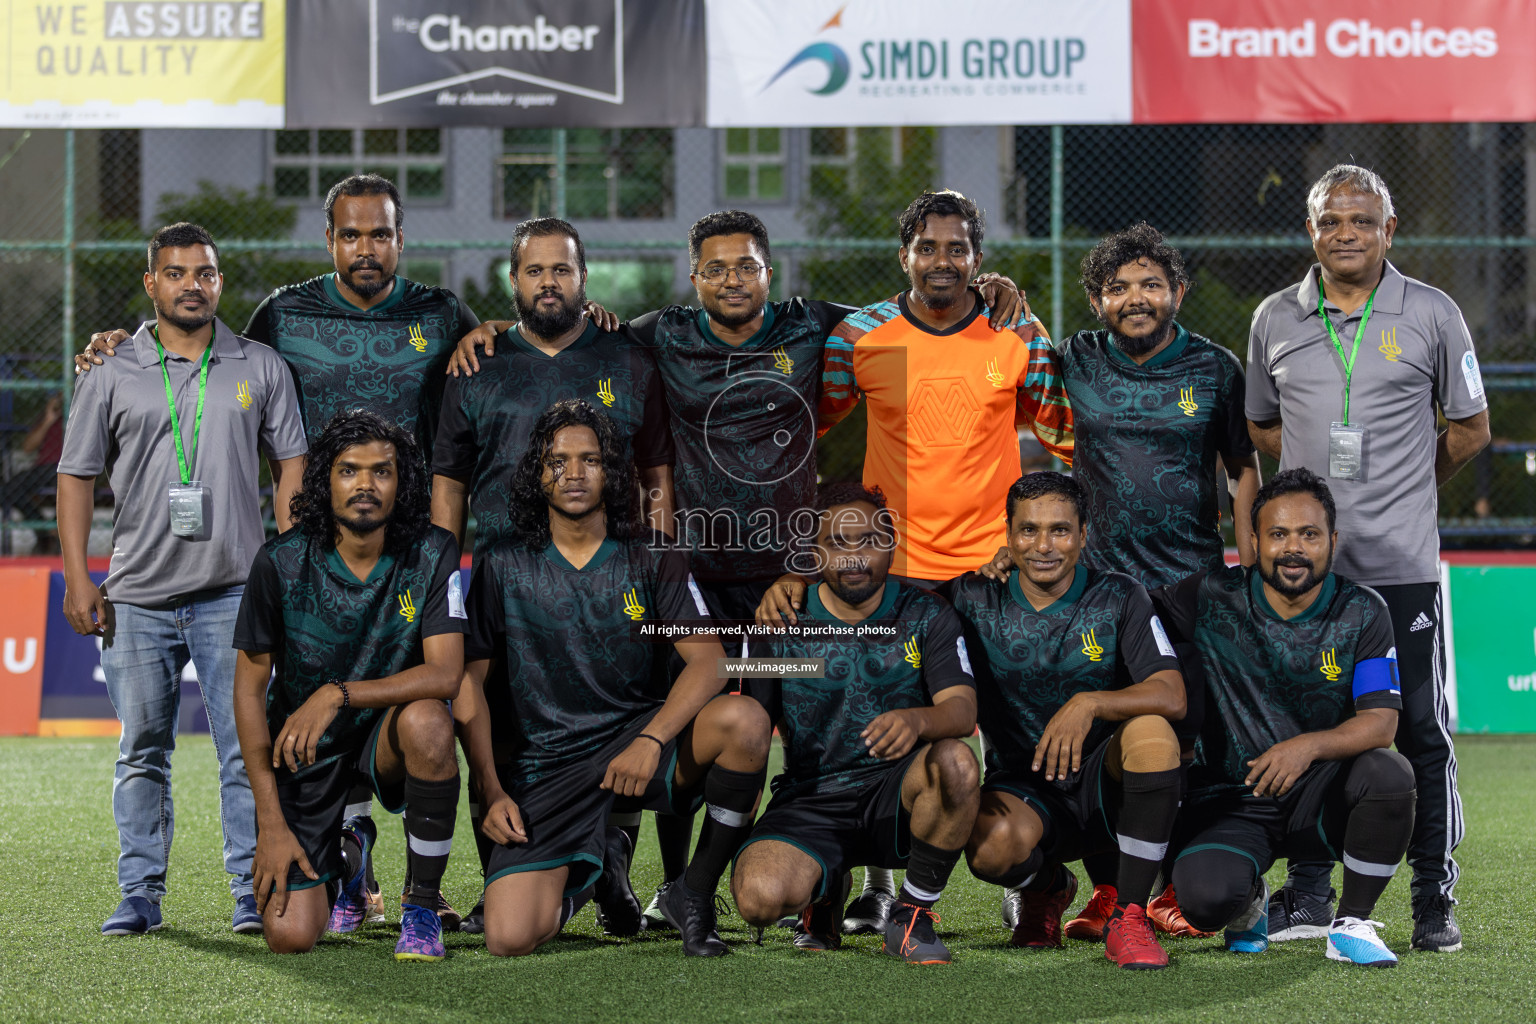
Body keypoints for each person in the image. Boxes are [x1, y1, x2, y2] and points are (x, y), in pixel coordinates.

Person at [449, 208, 1022, 934]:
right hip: (691, 565)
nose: (731, 278)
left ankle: (856, 876)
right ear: (693, 278)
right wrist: (493, 333)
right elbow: (584, 336)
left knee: (812, 710)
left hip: (786, 579)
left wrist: (987, 290)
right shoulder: (663, 332)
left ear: (768, 271)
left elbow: (907, 311)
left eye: (745, 264)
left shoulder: (814, 324)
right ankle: (669, 879)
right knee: (677, 710)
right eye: (715, 267)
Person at [77, 173, 487, 929]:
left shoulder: (441, 311)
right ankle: (344, 848)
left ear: (401, 238)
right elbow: (202, 354)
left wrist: (498, 326)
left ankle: (420, 894)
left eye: (381, 234)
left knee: (426, 707)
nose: (367, 248)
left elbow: (497, 356)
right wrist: (120, 342)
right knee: (305, 702)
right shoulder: (282, 314)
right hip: (312, 558)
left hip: (405, 556)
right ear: (329, 239)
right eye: (351, 234)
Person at [981, 223, 1261, 941]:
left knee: (1187, 739)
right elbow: (1001, 398)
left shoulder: (1216, 367)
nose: (1134, 299)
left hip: (1190, 583)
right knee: (1106, 742)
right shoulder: (1073, 359)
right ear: (1098, 300)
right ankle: (1110, 888)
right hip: (1101, 587)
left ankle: (1171, 887)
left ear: (1177, 292)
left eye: (1150, 285)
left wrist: (1251, 554)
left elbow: (1242, 467)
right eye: (1117, 288)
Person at [1246, 165, 1489, 952]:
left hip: (1404, 567)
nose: (1344, 233)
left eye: (1360, 220)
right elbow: (1265, 432)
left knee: (1419, 730)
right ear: (1310, 231)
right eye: (1329, 221)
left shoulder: (1434, 313)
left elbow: (1470, 430)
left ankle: (1432, 896)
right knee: (1311, 728)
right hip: (1308, 577)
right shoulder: (1274, 318)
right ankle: (1310, 893)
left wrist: (1414, 485)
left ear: (1390, 230)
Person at [56, 222, 307, 936]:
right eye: (176, 273)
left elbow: (291, 465)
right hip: (134, 597)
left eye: (205, 273)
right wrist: (80, 579)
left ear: (220, 282)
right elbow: (74, 477)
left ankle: (246, 891)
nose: (192, 285)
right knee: (142, 751)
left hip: (234, 592)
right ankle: (139, 894)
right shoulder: (111, 369)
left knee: (245, 750)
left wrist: (285, 564)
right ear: (151, 283)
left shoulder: (259, 366)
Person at [458, 399, 772, 958]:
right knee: (509, 938)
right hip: (546, 762)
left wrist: (652, 740)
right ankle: (602, 860)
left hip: (636, 743)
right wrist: (489, 784)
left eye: (590, 460)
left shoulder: (653, 556)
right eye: (557, 461)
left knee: (743, 722)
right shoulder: (502, 563)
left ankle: (692, 893)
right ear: (537, 473)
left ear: (614, 473)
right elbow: (469, 686)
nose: (574, 474)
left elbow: (711, 660)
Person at [432, 216, 675, 935]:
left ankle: (615, 866)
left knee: (622, 718)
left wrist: (658, 562)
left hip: (611, 580)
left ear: (583, 278)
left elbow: (656, 469)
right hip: (507, 583)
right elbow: (448, 483)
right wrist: (445, 585)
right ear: (513, 282)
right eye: (534, 271)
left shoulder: (627, 357)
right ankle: (498, 878)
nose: (548, 283)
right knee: (500, 729)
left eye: (561, 271)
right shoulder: (475, 364)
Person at [231, 410, 465, 961]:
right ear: (324, 481)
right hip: (306, 755)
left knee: (430, 719)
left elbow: (446, 673)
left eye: (382, 471)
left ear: (401, 480)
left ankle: (422, 907)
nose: (365, 485)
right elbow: (247, 691)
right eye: (349, 471)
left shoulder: (432, 550)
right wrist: (268, 820)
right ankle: (352, 861)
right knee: (290, 937)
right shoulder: (280, 563)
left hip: (386, 737)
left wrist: (337, 693)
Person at [1159, 468, 1415, 967]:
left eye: (1309, 534)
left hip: (1319, 798)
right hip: (1232, 800)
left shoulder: (1362, 610)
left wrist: (1307, 747)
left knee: (1389, 773)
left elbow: (1381, 722)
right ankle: (1248, 900)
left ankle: (1350, 924)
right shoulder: (1210, 597)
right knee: (1204, 901)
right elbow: (1123, 611)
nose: (1293, 548)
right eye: (1278, 534)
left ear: (1332, 540)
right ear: (1253, 540)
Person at [733, 483, 980, 965]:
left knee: (957, 761)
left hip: (898, 793)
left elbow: (963, 711)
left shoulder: (927, 612)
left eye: (867, 540)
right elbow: (749, 733)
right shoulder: (781, 619)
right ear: (813, 552)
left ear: (890, 544)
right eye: (837, 543)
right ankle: (825, 894)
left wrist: (917, 718)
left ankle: (912, 913)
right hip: (811, 798)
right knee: (759, 900)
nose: (853, 556)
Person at [955, 473, 1185, 969]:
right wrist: (798, 585)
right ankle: (1048, 889)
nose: (1043, 546)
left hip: (1107, 786)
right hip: (1024, 787)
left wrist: (1091, 702)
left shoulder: (1119, 595)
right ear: (1008, 534)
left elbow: (1171, 693)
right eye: (1028, 531)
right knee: (990, 850)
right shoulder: (972, 597)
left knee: (1153, 733)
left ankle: (1128, 916)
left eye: (1060, 530)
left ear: (1083, 534)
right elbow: (881, 611)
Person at [817, 190, 1075, 587]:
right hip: (893, 562)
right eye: (927, 248)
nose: (942, 261)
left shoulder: (1017, 333)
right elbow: (806, 431)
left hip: (998, 562)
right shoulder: (857, 338)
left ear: (977, 261)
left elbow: (1068, 439)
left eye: (957, 249)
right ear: (905, 257)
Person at [1, 392, 64, 553]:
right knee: (9, 489)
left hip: (70, 467)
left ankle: (56, 531)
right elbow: (27, 447)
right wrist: (49, 419)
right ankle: (45, 530)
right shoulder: (48, 417)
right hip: (46, 468)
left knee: (81, 487)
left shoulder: (84, 414)